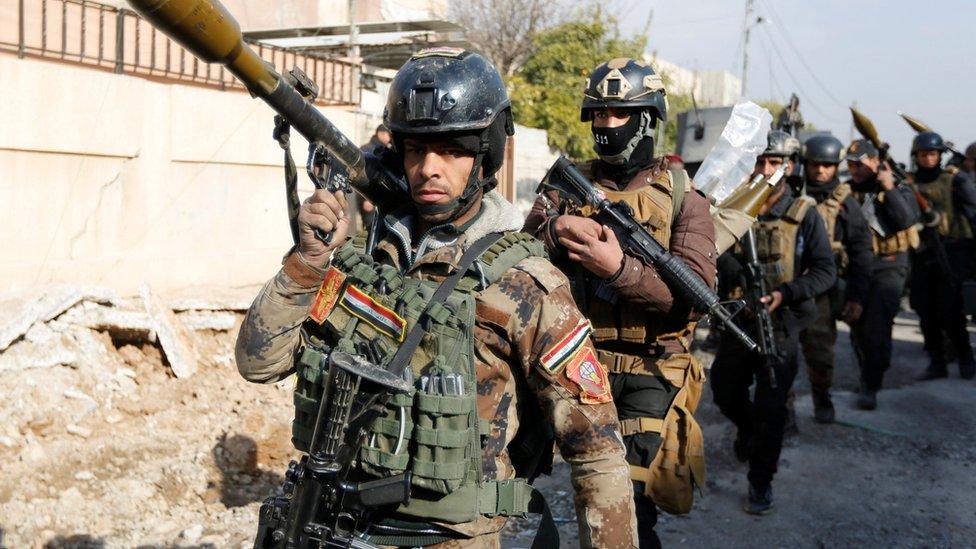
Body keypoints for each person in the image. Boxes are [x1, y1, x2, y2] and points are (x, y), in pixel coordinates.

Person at [235, 49, 637, 548]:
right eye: (415, 149)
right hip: (334, 525)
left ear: (485, 153)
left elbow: (596, 452)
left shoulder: (526, 286)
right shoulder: (359, 258)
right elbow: (258, 363)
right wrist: (307, 262)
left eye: (452, 150)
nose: (429, 168)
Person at [524, 58, 715, 548]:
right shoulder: (566, 184)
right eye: (599, 114)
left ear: (647, 119)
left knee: (626, 509)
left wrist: (618, 269)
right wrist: (554, 228)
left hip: (649, 371)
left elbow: (692, 299)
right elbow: (517, 258)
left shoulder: (682, 198)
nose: (605, 125)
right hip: (573, 361)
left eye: (618, 114)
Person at [711, 130, 836, 515]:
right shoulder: (734, 207)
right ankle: (746, 429)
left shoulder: (803, 213)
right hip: (740, 319)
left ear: (789, 167)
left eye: (775, 163)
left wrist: (787, 293)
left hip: (780, 324)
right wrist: (740, 278)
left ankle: (760, 481)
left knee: (773, 409)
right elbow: (713, 252)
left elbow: (825, 271)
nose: (766, 170)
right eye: (760, 161)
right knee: (724, 391)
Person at [797, 134, 873, 423]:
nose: (820, 171)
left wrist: (857, 296)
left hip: (823, 289)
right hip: (788, 284)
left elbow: (862, 250)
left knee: (819, 351)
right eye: (815, 164)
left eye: (827, 165)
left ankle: (821, 396)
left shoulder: (845, 203)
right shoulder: (791, 194)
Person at [844, 140, 920, 408]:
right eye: (851, 164)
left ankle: (871, 384)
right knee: (858, 326)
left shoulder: (896, 187)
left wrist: (888, 186)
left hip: (889, 265)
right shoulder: (848, 191)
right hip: (858, 266)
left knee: (877, 327)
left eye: (860, 164)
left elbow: (907, 219)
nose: (854, 169)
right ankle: (867, 373)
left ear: (876, 162)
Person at [908, 132, 976, 380]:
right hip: (922, 253)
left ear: (939, 155)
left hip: (952, 250)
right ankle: (936, 361)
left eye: (933, 154)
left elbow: (972, 212)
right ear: (916, 156)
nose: (928, 159)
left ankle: (965, 357)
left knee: (950, 310)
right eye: (924, 154)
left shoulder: (955, 181)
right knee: (926, 311)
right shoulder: (910, 183)